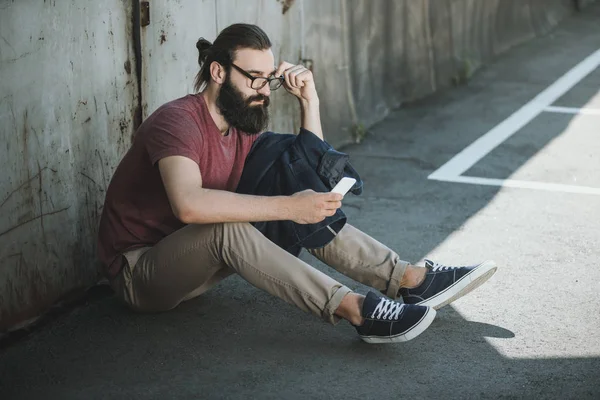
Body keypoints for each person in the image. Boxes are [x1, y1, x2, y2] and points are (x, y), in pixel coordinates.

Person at [98, 23, 497, 344]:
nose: (263, 91)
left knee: (288, 183)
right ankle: (355, 309)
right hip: (142, 274)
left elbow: (307, 166)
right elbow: (189, 205)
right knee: (233, 224)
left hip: (195, 264)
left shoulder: (239, 125)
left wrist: (310, 102)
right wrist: (291, 207)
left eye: (268, 80)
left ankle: (411, 280)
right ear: (218, 72)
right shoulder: (178, 122)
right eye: (254, 78)